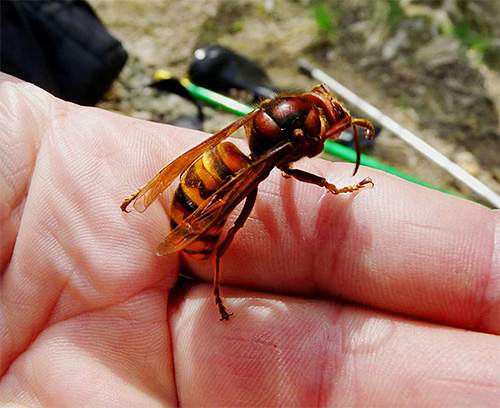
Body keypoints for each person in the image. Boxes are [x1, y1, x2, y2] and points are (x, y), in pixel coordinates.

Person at [0, 73, 498, 406]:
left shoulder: (264, 126)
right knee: (232, 225)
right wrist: (337, 183)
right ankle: (214, 281)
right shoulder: (285, 147)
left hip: (217, 167)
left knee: (227, 194)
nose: (326, 128)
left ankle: (170, 219)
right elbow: (307, 152)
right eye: (324, 120)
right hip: (203, 208)